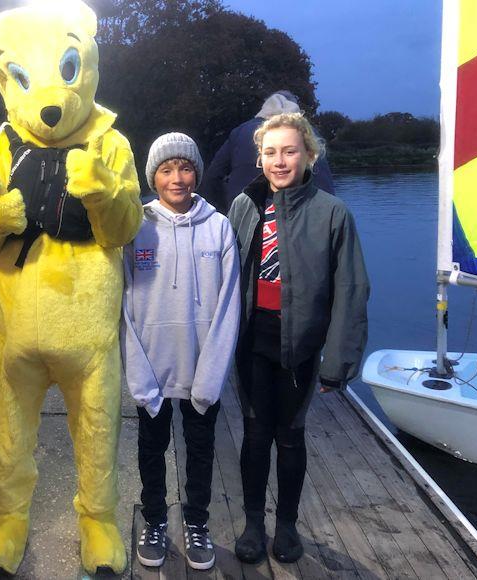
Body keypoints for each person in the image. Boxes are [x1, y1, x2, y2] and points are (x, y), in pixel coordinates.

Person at [228, 112, 369, 564]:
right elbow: (219, 274)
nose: (280, 161)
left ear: (309, 154)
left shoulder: (332, 213)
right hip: (252, 340)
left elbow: (350, 288)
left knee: (289, 437)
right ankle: (253, 521)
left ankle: (286, 524)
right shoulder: (245, 206)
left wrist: (339, 360)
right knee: (253, 435)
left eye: (290, 151)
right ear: (260, 158)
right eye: (270, 153)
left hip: (300, 346)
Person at [122, 133, 241, 571]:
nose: (177, 178)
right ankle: (154, 520)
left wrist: (212, 376)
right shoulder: (133, 225)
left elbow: (229, 306)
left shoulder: (219, 227)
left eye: (185, 168)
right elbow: (121, 307)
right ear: (152, 176)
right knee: (151, 450)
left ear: (198, 172)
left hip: (199, 370)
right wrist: (138, 375)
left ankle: (197, 523)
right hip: (152, 368)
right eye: (166, 169)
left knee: (200, 448)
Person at [203, 90, 335, 215]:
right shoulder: (309, 134)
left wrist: (223, 212)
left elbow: (212, 177)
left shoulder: (239, 132)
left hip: (241, 219)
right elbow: (325, 186)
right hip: (300, 220)